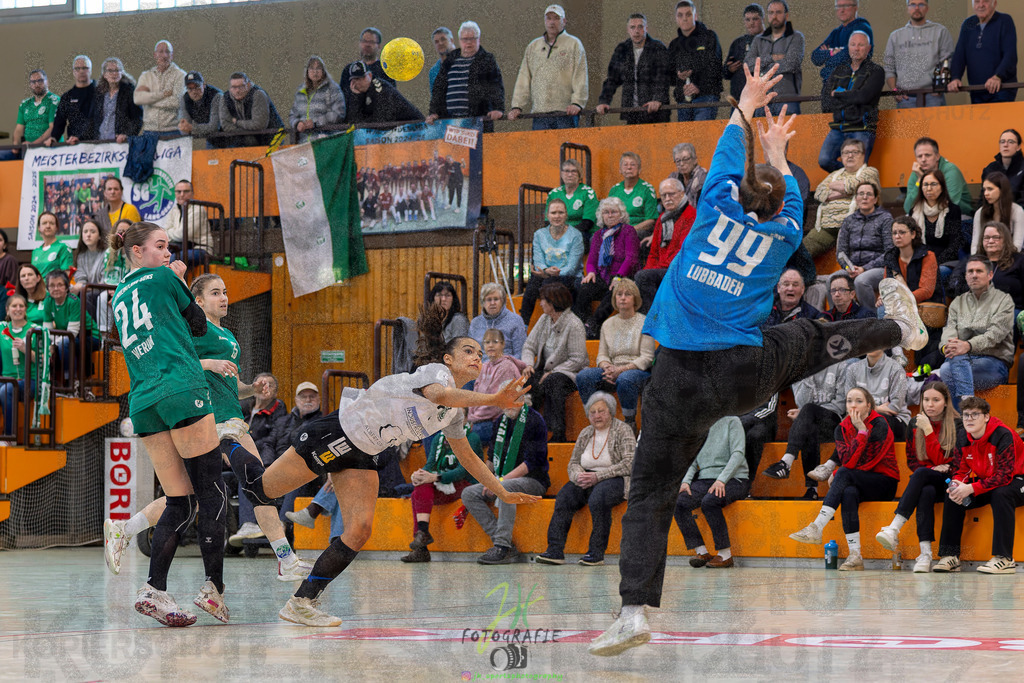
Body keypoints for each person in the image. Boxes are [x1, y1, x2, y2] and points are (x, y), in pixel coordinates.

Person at [588, 60, 927, 657]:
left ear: (734, 195)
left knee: (649, 494)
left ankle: (632, 611)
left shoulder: (712, 207)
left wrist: (745, 106)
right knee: (815, 337)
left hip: (679, 378)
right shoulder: (785, 235)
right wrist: (776, 150)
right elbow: (791, 193)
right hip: (747, 374)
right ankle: (896, 328)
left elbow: (723, 151)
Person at [232, 305, 538, 626]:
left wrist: (501, 491)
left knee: (360, 530)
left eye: (479, 352)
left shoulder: (454, 413)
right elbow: (442, 394)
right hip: (339, 432)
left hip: (368, 453)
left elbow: (468, 457)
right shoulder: (436, 373)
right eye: (467, 350)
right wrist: (493, 400)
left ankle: (302, 601)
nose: (476, 355)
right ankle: (227, 436)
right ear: (448, 358)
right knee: (262, 489)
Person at [104, 274, 313, 583]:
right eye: (216, 293)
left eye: (226, 292)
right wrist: (208, 364)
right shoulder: (191, 330)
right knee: (254, 480)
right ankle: (280, 555)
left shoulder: (227, 336)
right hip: (206, 421)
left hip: (232, 418)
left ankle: (125, 528)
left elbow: (232, 385)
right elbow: (175, 362)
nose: (224, 297)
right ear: (198, 301)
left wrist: (252, 388)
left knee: (189, 496)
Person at [109, 222, 228, 626]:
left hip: (143, 400)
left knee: (181, 500)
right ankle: (214, 591)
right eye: (159, 246)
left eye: (168, 247)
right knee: (212, 491)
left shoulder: (117, 295)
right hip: (180, 387)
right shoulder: (164, 275)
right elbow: (198, 325)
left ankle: (153, 590)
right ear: (137, 252)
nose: (166, 252)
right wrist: (177, 277)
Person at [789, 387, 900, 571]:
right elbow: (848, 461)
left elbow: (868, 462)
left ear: (869, 405)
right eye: (849, 401)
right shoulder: (841, 428)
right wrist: (860, 434)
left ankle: (817, 526)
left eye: (858, 401)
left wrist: (863, 432)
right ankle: (855, 555)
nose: (853, 405)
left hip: (884, 481)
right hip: (856, 480)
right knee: (848, 493)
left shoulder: (880, 424)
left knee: (842, 474)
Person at [535, 392, 634, 566]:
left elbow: (629, 464)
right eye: (592, 412)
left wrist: (598, 476)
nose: (597, 415)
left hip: (615, 477)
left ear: (610, 411)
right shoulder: (586, 432)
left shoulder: (623, 430)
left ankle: (596, 554)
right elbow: (573, 462)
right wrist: (578, 475)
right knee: (564, 497)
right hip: (587, 476)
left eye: (601, 411)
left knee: (599, 499)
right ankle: (555, 551)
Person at [874, 381, 961, 573]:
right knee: (925, 490)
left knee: (922, 474)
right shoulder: (914, 423)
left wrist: (929, 432)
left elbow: (951, 464)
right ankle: (926, 553)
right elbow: (912, 461)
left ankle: (894, 528)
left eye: (936, 400)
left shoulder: (957, 423)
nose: (930, 404)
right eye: (926, 400)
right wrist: (933, 468)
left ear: (946, 402)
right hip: (927, 481)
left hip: (950, 482)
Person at [933, 396, 1024, 574]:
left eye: (975, 414)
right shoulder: (963, 436)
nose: (969, 419)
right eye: (966, 415)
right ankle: (950, 556)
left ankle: (1004, 558)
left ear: (986, 417)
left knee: (1002, 493)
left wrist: (971, 488)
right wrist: (958, 483)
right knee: (955, 494)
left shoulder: (1003, 435)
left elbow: (1004, 476)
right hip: (991, 481)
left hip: (1018, 480)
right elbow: (961, 468)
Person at [462, 394, 549, 565]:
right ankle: (507, 546)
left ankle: (502, 546)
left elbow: (529, 464)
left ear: (522, 400)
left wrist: (498, 482)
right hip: (501, 478)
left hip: (533, 480)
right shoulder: (499, 422)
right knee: (468, 493)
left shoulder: (535, 420)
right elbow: (491, 458)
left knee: (506, 488)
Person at [575, 278, 655, 434]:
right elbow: (602, 355)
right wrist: (607, 367)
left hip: (636, 370)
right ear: (614, 299)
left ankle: (629, 422)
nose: (623, 298)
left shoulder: (645, 322)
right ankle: (595, 420)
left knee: (626, 379)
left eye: (627, 295)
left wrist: (621, 370)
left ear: (635, 299)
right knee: (584, 376)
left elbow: (647, 358)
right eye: (619, 294)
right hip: (612, 369)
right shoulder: (607, 324)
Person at [762, 359, 848, 500]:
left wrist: (807, 411)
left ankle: (786, 462)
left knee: (808, 411)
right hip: (809, 421)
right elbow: (802, 401)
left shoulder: (840, 365)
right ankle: (811, 490)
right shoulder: (800, 368)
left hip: (833, 420)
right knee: (809, 427)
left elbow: (839, 406)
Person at [401, 418, 484, 562]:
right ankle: (423, 534)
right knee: (419, 488)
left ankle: (421, 547)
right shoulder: (438, 438)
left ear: (463, 419)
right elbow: (430, 465)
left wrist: (435, 477)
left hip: (467, 484)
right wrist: (420, 474)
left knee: (417, 493)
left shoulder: (472, 438)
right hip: (445, 483)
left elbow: (463, 471)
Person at [939, 256, 1014, 410]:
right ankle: (968, 410)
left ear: (990, 275)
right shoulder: (957, 303)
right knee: (949, 366)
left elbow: (995, 335)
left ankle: (962, 417)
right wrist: (947, 347)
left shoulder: (1003, 301)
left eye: (979, 271)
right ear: (966, 276)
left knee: (948, 370)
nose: (974, 275)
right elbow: (949, 330)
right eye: (970, 271)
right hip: (961, 361)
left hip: (993, 364)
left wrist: (968, 345)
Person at [674, 416, 749, 568]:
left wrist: (722, 480)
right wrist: (686, 482)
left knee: (710, 501)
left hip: (734, 478)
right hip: (706, 479)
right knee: (679, 503)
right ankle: (702, 551)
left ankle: (725, 554)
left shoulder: (732, 421)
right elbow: (692, 460)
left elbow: (738, 453)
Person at [521, 281, 587, 443]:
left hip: (570, 372)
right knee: (527, 380)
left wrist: (554, 371)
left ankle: (558, 433)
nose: (541, 303)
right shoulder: (544, 319)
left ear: (553, 302)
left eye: (544, 299)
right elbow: (529, 345)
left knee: (553, 382)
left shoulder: (574, 324)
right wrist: (529, 364)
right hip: (545, 370)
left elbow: (577, 359)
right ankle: (528, 430)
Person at [507, 4, 588, 130]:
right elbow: (523, 78)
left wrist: (577, 103)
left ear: (564, 21)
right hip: (540, 112)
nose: (552, 22)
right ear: (544, 21)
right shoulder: (533, 47)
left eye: (556, 18)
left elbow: (581, 76)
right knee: (541, 149)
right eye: (548, 18)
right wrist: (517, 106)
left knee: (566, 148)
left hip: (565, 112)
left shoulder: (574, 44)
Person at [573, 197, 640, 338]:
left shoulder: (628, 231)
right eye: (606, 212)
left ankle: (593, 325)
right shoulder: (598, 235)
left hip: (624, 275)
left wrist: (618, 276)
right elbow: (591, 259)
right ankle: (582, 325)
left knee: (616, 289)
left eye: (613, 212)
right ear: (601, 215)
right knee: (584, 288)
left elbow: (631, 258)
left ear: (621, 214)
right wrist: (591, 272)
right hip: (603, 276)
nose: (609, 215)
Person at [819, 31, 884, 172]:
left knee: (857, 167)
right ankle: (850, 176)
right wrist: (850, 97)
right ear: (848, 47)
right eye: (853, 44)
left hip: (861, 128)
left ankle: (854, 180)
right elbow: (826, 100)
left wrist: (839, 94)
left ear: (869, 48)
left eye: (861, 45)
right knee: (824, 160)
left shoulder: (876, 71)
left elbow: (864, 97)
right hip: (838, 127)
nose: (856, 48)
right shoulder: (839, 70)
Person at [803, 138, 878, 258]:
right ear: (841, 157)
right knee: (802, 253)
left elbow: (855, 184)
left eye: (855, 152)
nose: (850, 155)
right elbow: (819, 192)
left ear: (863, 155)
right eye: (846, 152)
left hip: (855, 226)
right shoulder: (834, 175)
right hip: (826, 226)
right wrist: (847, 192)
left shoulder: (870, 172)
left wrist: (834, 189)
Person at [426, 21, 505, 133]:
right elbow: (439, 88)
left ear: (479, 39)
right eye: (465, 39)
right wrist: (434, 112)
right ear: (459, 40)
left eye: (472, 39)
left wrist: (498, 108)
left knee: (478, 150)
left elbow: (496, 85)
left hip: (477, 122)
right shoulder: (450, 60)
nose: (468, 43)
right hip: (451, 123)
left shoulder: (487, 59)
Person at [595, 13, 671, 125]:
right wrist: (604, 101)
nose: (637, 31)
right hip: (632, 113)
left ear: (646, 28)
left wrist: (657, 99)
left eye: (640, 27)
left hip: (656, 112)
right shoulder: (622, 49)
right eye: (633, 27)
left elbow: (663, 77)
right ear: (628, 30)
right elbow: (612, 79)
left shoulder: (657, 48)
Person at [635, 178, 696, 314]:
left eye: (671, 194)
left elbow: (683, 252)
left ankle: (652, 320)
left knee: (643, 278)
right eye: (663, 195)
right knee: (640, 278)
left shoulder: (691, 216)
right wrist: (649, 269)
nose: (667, 198)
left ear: (681, 194)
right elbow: (653, 253)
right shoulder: (662, 218)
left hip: (680, 270)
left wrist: (652, 271)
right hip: (663, 269)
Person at [521, 200, 585, 324]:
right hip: (546, 273)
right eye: (553, 213)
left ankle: (554, 324)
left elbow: (572, 267)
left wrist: (550, 273)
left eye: (560, 212)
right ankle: (523, 325)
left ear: (566, 215)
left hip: (569, 276)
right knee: (533, 284)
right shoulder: (539, 234)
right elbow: (538, 260)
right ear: (548, 215)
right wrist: (545, 270)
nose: (557, 216)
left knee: (548, 282)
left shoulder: (576, 235)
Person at [883, 0, 954, 108]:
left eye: (921, 4)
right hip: (905, 98)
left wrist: (940, 86)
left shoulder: (940, 32)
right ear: (907, 8)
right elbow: (889, 68)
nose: (916, 8)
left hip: (933, 96)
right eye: (912, 4)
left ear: (927, 8)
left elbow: (947, 61)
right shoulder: (895, 36)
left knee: (936, 125)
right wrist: (894, 90)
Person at [467, 328, 528, 451]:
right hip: (480, 420)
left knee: (466, 439)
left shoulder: (507, 367)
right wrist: (470, 418)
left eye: (495, 341)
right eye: (487, 342)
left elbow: (497, 404)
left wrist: (474, 419)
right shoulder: (483, 367)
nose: (490, 345)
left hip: (500, 421)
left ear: (503, 344)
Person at [948, 0, 1018, 105]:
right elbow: (959, 54)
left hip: (1001, 89)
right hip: (977, 90)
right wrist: (955, 77)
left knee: (998, 121)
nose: (981, 5)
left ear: (994, 3)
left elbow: (1010, 55)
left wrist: (997, 76)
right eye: (976, 1)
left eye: (985, 1)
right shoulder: (968, 24)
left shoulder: (1005, 21)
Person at [835, 180, 893, 306]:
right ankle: (836, 320)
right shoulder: (849, 221)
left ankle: (870, 318)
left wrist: (864, 269)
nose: (865, 197)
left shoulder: (885, 219)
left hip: (879, 268)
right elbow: (841, 252)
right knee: (833, 280)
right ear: (856, 198)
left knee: (861, 281)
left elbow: (890, 252)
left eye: (869, 194)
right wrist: (848, 268)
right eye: (861, 194)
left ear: (876, 199)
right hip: (853, 268)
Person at [810, 0, 872, 110]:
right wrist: (831, 52)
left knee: (850, 125)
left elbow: (850, 56)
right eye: (838, 6)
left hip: (852, 86)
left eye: (846, 6)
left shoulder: (862, 28)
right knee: (829, 124)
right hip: (829, 88)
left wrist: (829, 60)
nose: (842, 10)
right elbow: (815, 57)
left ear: (855, 7)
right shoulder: (836, 32)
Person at [747, 0, 804, 115]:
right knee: (761, 133)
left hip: (787, 99)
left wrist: (762, 65)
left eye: (778, 12)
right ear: (767, 16)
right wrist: (771, 58)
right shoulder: (758, 39)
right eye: (771, 13)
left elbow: (792, 64)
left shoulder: (796, 37)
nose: (774, 16)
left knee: (789, 132)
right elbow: (749, 64)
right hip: (761, 98)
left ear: (786, 15)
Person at [670, 0, 723, 122]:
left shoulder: (709, 37)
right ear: (676, 19)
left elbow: (715, 67)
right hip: (683, 100)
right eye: (680, 15)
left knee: (701, 138)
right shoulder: (674, 45)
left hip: (706, 97)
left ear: (695, 16)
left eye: (688, 14)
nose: (684, 19)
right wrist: (679, 75)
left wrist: (699, 87)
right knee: (684, 139)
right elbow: (669, 74)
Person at [43, 270, 99, 382]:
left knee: (65, 342)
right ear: (48, 288)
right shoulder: (48, 301)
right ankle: (51, 382)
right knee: (49, 343)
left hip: (90, 336)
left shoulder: (73, 301)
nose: (56, 289)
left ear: (67, 287)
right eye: (52, 285)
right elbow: (47, 329)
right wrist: (51, 345)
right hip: (65, 336)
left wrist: (54, 344)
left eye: (60, 285)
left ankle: (71, 380)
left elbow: (72, 333)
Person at [907, 169, 963, 280]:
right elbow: (912, 244)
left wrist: (933, 263)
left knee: (934, 274)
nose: (929, 189)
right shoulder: (914, 211)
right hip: (920, 260)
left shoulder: (952, 210)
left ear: (942, 187)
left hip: (945, 262)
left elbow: (955, 244)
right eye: (925, 185)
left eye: (933, 184)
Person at [903, 137, 974, 216]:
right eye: (919, 156)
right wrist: (920, 180)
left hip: (960, 214)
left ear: (937, 156)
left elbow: (950, 203)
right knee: (908, 218)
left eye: (927, 155)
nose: (923, 159)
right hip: (926, 214)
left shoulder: (950, 170)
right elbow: (908, 207)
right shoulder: (917, 173)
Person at [884, 216, 939, 308]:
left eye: (902, 232)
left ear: (913, 234)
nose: (897, 236)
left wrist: (903, 299)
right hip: (898, 303)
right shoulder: (890, 256)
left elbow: (926, 291)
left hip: (923, 305)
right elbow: (887, 285)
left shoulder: (927, 255)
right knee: (881, 308)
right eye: (894, 233)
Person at [345, 61, 423, 126]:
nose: (358, 83)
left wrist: (361, 122)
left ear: (370, 75)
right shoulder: (358, 91)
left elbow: (381, 122)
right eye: (355, 80)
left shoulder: (382, 89)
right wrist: (356, 96)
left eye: (361, 78)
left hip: (414, 128)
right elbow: (353, 121)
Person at [133, 40, 186, 135]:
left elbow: (177, 102)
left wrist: (150, 101)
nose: (164, 55)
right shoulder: (146, 76)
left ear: (172, 55)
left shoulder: (180, 76)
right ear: (155, 55)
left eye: (168, 52)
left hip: (172, 131)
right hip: (149, 131)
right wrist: (163, 94)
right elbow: (137, 99)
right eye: (161, 51)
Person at [219, 72, 284, 147]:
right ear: (230, 88)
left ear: (248, 85)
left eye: (241, 86)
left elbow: (259, 125)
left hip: (272, 135)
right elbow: (225, 125)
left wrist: (237, 122)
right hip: (248, 138)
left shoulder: (258, 94)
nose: (237, 90)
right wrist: (245, 131)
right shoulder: (225, 98)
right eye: (234, 87)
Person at [289, 56, 345, 142]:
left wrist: (316, 122)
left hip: (325, 141)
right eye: (311, 68)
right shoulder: (300, 91)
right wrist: (297, 123)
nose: (315, 72)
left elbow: (339, 113)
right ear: (307, 71)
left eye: (318, 68)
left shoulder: (332, 88)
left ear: (323, 71)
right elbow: (292, 115)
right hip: (303, 143)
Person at [0, 295, 34, 435]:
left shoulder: (35, 329)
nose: (18, 309)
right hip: (6, 379)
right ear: (7, 310)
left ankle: (9, 437)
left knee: (6, 390)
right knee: (6, 387)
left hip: (30, 381)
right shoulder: (2, 328)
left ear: (26, 309)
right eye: (14, 306)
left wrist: (25, 349)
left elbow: (45, 359)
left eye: (21, 306)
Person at [606, 153, 658, 240]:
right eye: (625, 164)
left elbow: (651, 221)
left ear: (639, 170)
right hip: (616, 229)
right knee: (595, 239)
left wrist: (630, 230)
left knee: (628, 238)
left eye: (633, 164)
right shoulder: (614, 190)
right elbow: (607, 214)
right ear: (620, 170)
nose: (629, 167)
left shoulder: (647, 189)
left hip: (638, 230)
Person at [90, 58, 143, 142]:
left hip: (119, 142)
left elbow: (138, 119)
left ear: (122, 73)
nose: (114, 73)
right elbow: (93, 119)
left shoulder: (130, 91)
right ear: (104, 74)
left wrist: (127, 135)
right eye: (110, 71)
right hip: (100, 141)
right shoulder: (99, 93)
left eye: (117, 70)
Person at [545, 159, 598, 244]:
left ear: (579, 174)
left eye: (574, 171)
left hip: (583, 233)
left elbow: (587, 223)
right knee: (539, 241)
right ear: (562, 174)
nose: (570, 174)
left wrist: (565, 233)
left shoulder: (588, 192)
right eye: (566, 171)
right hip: (557, 232)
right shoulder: (553, 193)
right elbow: (547, 221)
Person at [48, 56, 97, 145]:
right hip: (74, 145)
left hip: (98, 144)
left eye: (85, 68)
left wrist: (80, 137)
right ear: (73, 72)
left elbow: (97, 119)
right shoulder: (67, 97)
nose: (81, 71)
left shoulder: (101, 92)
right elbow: (59, 121)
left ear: (90, 70)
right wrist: (53, 138)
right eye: (78, 68)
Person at [10, 70, 61, 156]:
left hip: (48, 148)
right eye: (33, 82)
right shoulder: (25, 104)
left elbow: (53, 128)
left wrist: (33, 144)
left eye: (40, 80)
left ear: (47, 81)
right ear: (30, 85)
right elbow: (19, 129)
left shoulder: (54, 101)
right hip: (26, 149)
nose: (36, 84)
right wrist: (16, 145)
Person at [469, 283, 525, 359]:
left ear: (502, 301)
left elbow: (520, 353)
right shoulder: (475, 323)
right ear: (483, 302)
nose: (492, 303)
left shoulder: (515, 320)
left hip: (506, 367)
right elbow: (470, 352)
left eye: (496, 299)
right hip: (480, 367)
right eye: (489, 299)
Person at [971, 172, 1024, 253]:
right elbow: (975, 244)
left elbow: (1017, 245)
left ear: (1002, 190)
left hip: (1010, 258)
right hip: (986, 258)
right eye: (984, 189)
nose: (986, 193)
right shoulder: (980, 212)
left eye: (990, 189)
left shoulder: (1017, 211)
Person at [166, 180, 214, 266]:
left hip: (201, 249)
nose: (182, 194)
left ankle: (170, 279)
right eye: (178, 192)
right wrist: (170, 233)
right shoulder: (174, 210)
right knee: (158, 256)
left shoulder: (198, 209)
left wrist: (170, 232)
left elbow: (183, 235)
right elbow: (164, 233)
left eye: (186, 191)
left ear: (192, 193)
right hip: (181, 247)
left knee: (174, 259)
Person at [722, 4, 764, 102]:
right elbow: (724, 73)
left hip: (761, 98)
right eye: (748, 20)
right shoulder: (738, 43)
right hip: (739, 98)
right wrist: (729, 69)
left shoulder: (768, 41)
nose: (751, 23)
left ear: (763, 19)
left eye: (755, 19)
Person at [340, 27, 397, 94]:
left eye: (371, 42)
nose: (367, 45)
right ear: (360, 43)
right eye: (364, 41)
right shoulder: (349, 69)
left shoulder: (386, 70)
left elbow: (390, 97)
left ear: (379, 46)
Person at [178, 72, 224, 148]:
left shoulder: (216, 96)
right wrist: (184, 128)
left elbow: (214, 127)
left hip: (231, 138)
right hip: (211, 141)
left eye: (197, 87)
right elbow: (184, 128)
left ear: (204, 85)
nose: (194, 92)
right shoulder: (184, 99)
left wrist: (192, 128)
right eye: (190, 88)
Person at [71, 218, 107, 313]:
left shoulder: (106, 253)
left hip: (103, 291)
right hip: (87, 290)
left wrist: (83, 287)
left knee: (86, 296)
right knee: (72, 296)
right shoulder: (81, 256)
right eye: (85, 231)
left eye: (92, 231)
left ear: (99, 236)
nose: (88, 235)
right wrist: (80, 287)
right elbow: (80, 278)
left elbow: (105, 282)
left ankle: (91, 327)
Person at [983, 129, 1024, 204]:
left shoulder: (1022, 168)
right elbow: (983, 199)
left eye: (1011, 142)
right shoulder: (990, 169)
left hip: (1018, 213)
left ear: (1018, 147)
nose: (1005, 145)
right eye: (1002, 142)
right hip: (993, 212)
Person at [31, 212, 73, 279]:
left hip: (54, 288)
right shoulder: (35, 252)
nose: (48, 226)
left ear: (56, 227)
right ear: (39, 228)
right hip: (37, 289)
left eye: (51, 223)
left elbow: (67, 276)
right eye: (44, 223)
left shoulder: (63, 248)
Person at [668, 144, 706, 209]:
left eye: (685, 159)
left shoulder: (702, 176)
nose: (681, 164)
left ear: (695, 160)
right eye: (678, 161)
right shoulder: (673, 177)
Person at [428, 28, 455, 95]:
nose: (440, 43)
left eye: (443, 39)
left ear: (451, 40)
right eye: (436, 42)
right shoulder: (433, 72)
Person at [0, 231, 18, 313]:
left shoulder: (9, 260)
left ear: (5, 245)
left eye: (0, 240)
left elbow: (12, 285)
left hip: (3, 298)